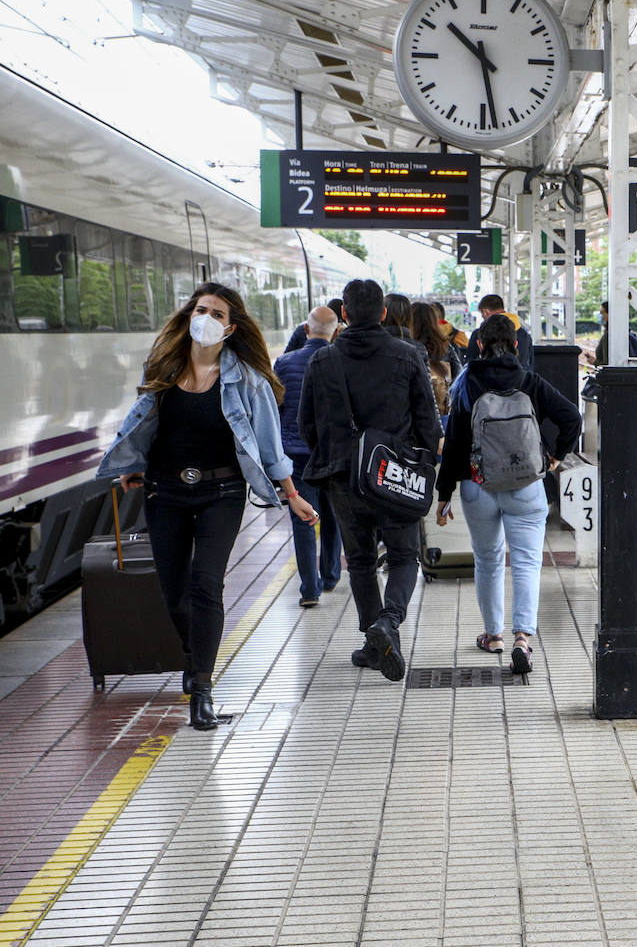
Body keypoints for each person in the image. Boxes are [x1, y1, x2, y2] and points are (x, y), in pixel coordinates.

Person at [98, 283, 318, 730]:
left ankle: (202, 688)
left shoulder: (248, 381)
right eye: (201, 309)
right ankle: (195, 657)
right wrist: (132, 463)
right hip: (164, 491)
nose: (207, 318)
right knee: (173, 592)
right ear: (188, 316)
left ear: (230, 327)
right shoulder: (162, 367)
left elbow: (271, 447)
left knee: (206, 585)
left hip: (222, 492)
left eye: (217, 313)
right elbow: (143, 423)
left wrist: (291, 495)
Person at [298, 279, 442, 682]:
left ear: (344, 313)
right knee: (403, 555)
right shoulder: (407, 355)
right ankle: (389, 622)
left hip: (343, 476)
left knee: (360, 561)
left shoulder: (322, 360)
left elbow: (305, 423)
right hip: (393, 472)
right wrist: (425, 462)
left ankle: (371, 638)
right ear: (383, 313)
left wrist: (334, 456)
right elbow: (427, 419)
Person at [435, 313, 581, 675]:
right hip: (525, 485)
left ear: (479, 346)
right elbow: (572, 418)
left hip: (477, 485)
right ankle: (522, 637)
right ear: (516, 346)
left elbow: (453, 442)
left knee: (488, 560)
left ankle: (493, 635)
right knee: (528, 562)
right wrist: (555, 456)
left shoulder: (467, 383)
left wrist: (444, 492)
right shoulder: (530, 381)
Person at [273, 304, 343, 608]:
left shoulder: (284, 363)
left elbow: (275, 409)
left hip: (296, 455)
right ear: (336, 332)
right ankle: (330, 576)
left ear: (305, 330)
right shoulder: (342, 361)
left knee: (302, 519)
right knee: (333, 515)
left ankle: (309, 589)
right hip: (333, 453)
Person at [410, 302, 454, 418]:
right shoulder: (445, 347)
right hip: (441, 413)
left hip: (413, 416)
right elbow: (458, 377)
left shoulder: (405, 347)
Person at [583, 300, 637, 366]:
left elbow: (608, 363)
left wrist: (595, 362)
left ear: (610, 314)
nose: (601, 316)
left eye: (602, 313)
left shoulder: (610, 335)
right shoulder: (627, 332)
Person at [477, 293, 533, 370]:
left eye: (482, 316)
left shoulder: (480, 334)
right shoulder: (525, 335)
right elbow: (530, 364)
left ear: (485, 312)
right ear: (515, 344)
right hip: (519, 380)